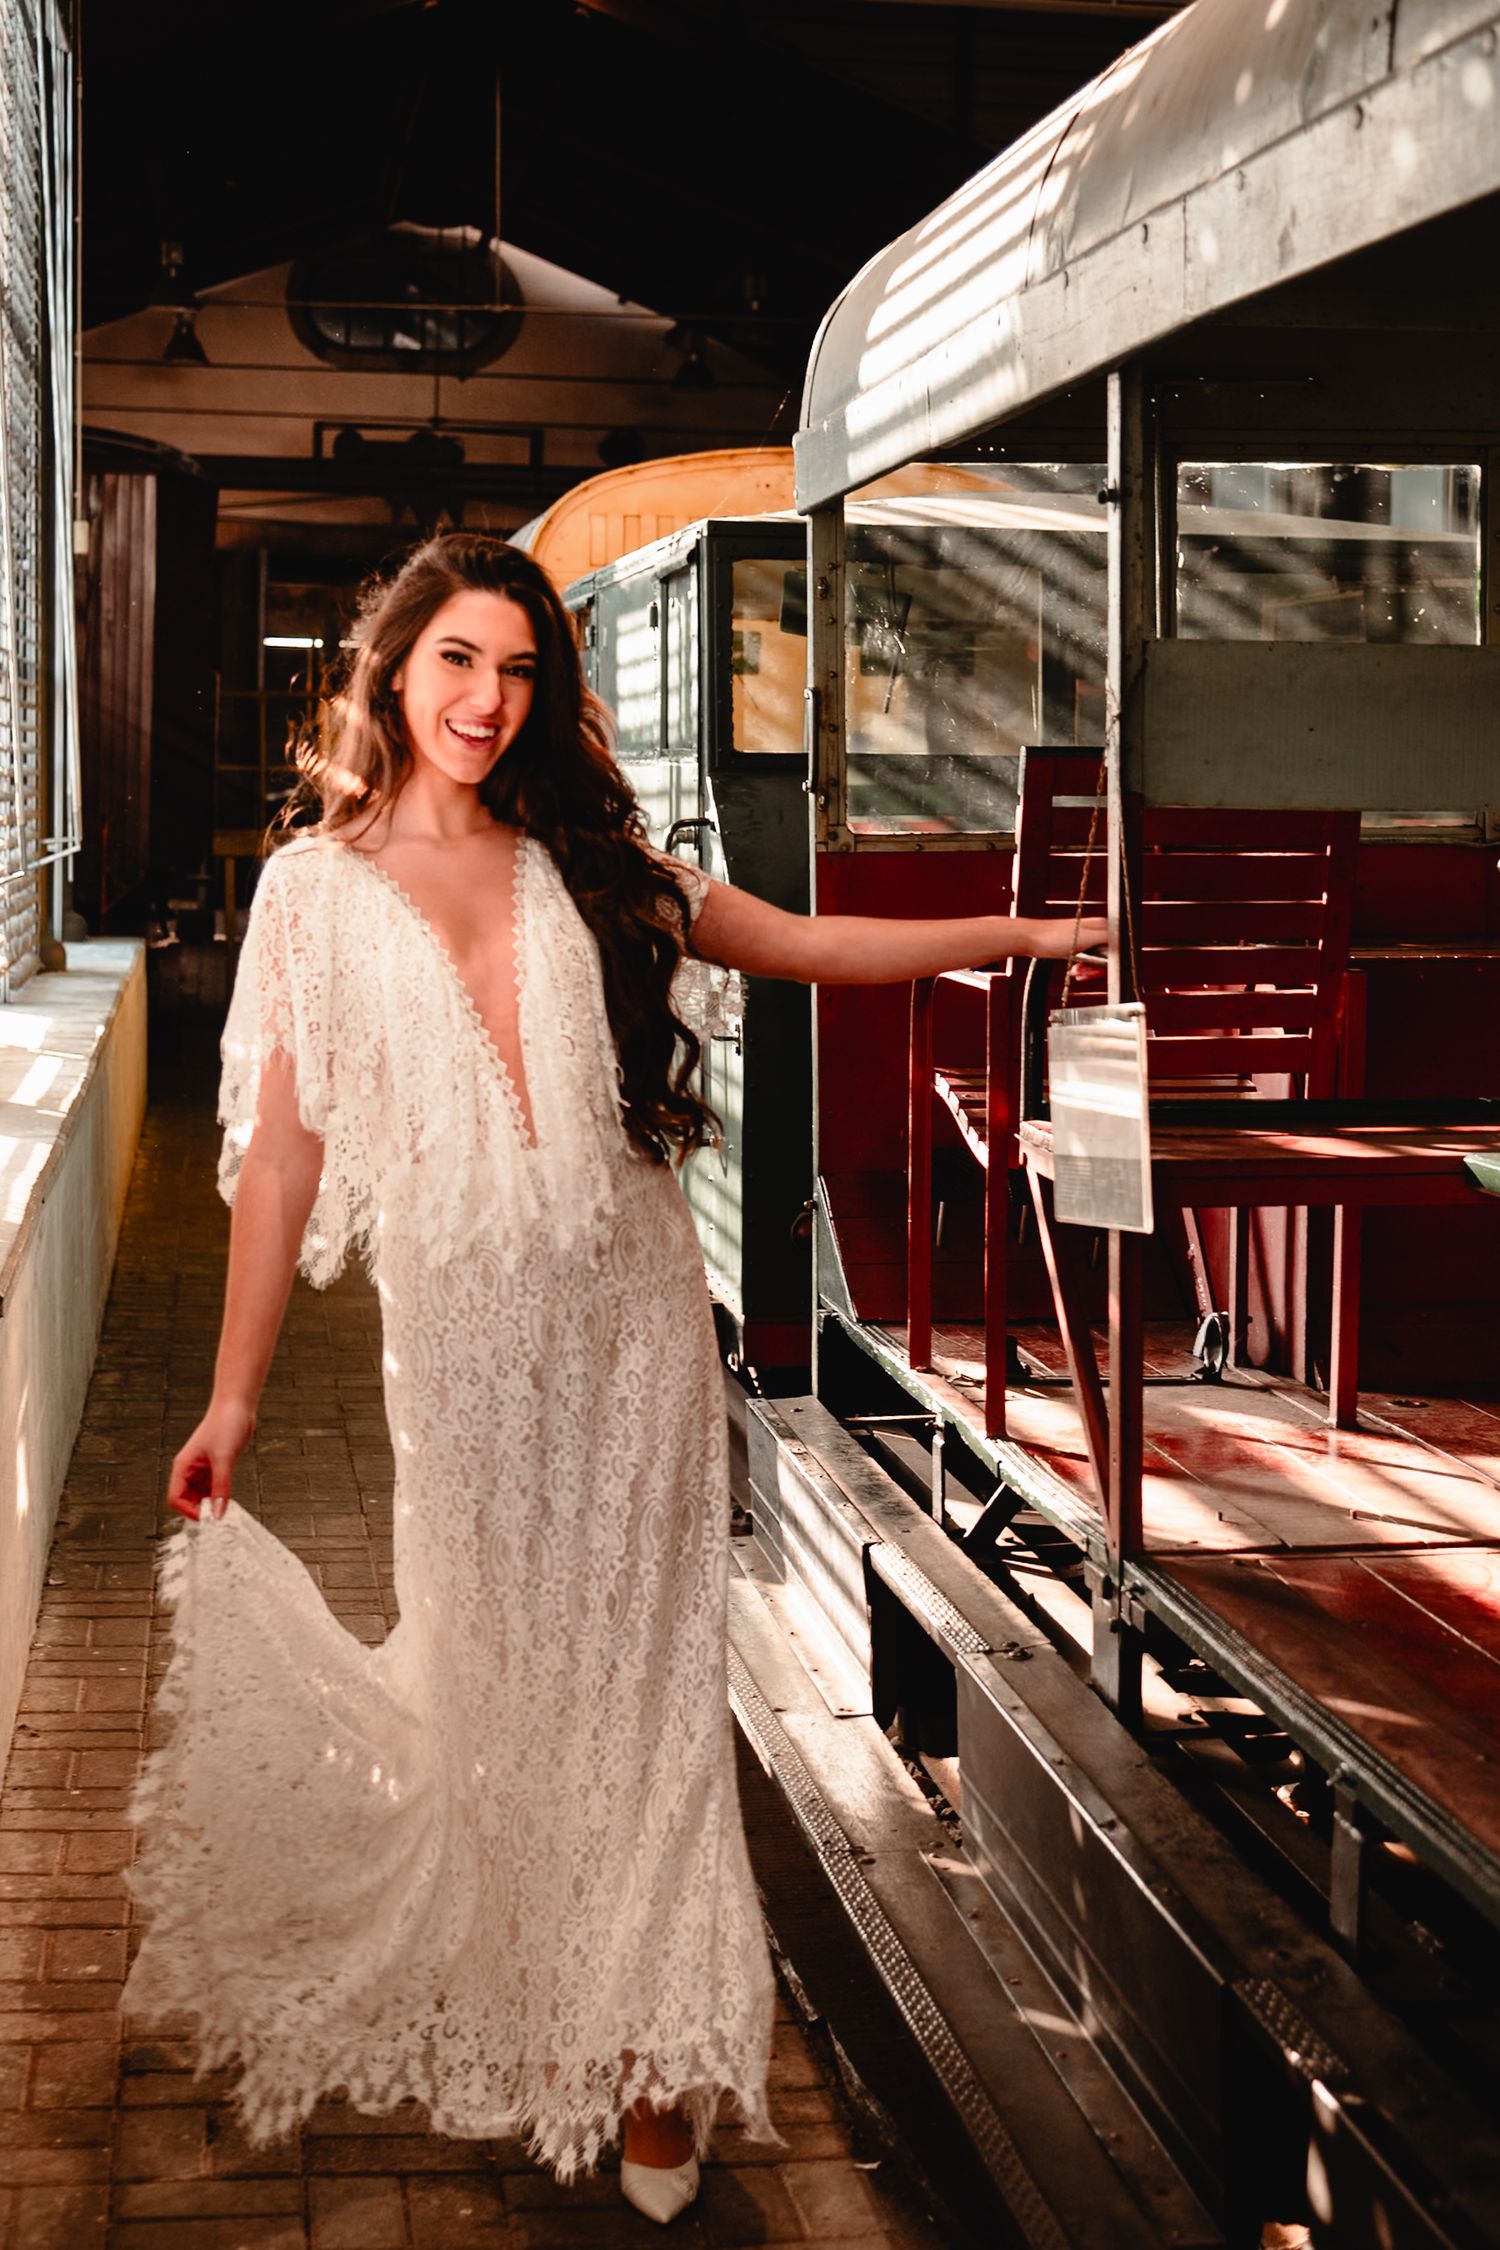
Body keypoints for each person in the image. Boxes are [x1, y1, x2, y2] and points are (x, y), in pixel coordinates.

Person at [121, 531, 1107, 2226]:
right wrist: (233, 1400)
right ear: (393, 668)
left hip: (636, 1335)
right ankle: (558, 1994)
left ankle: (656, 2062)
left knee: (650, 1704)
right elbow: (279, 1160)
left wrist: (1013, 931)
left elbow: (800, 944)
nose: (486, 701)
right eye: (457, 663)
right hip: (465, 1363)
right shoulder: (308, 894)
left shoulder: (588, 859)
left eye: (517, 671)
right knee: (507, 1692)